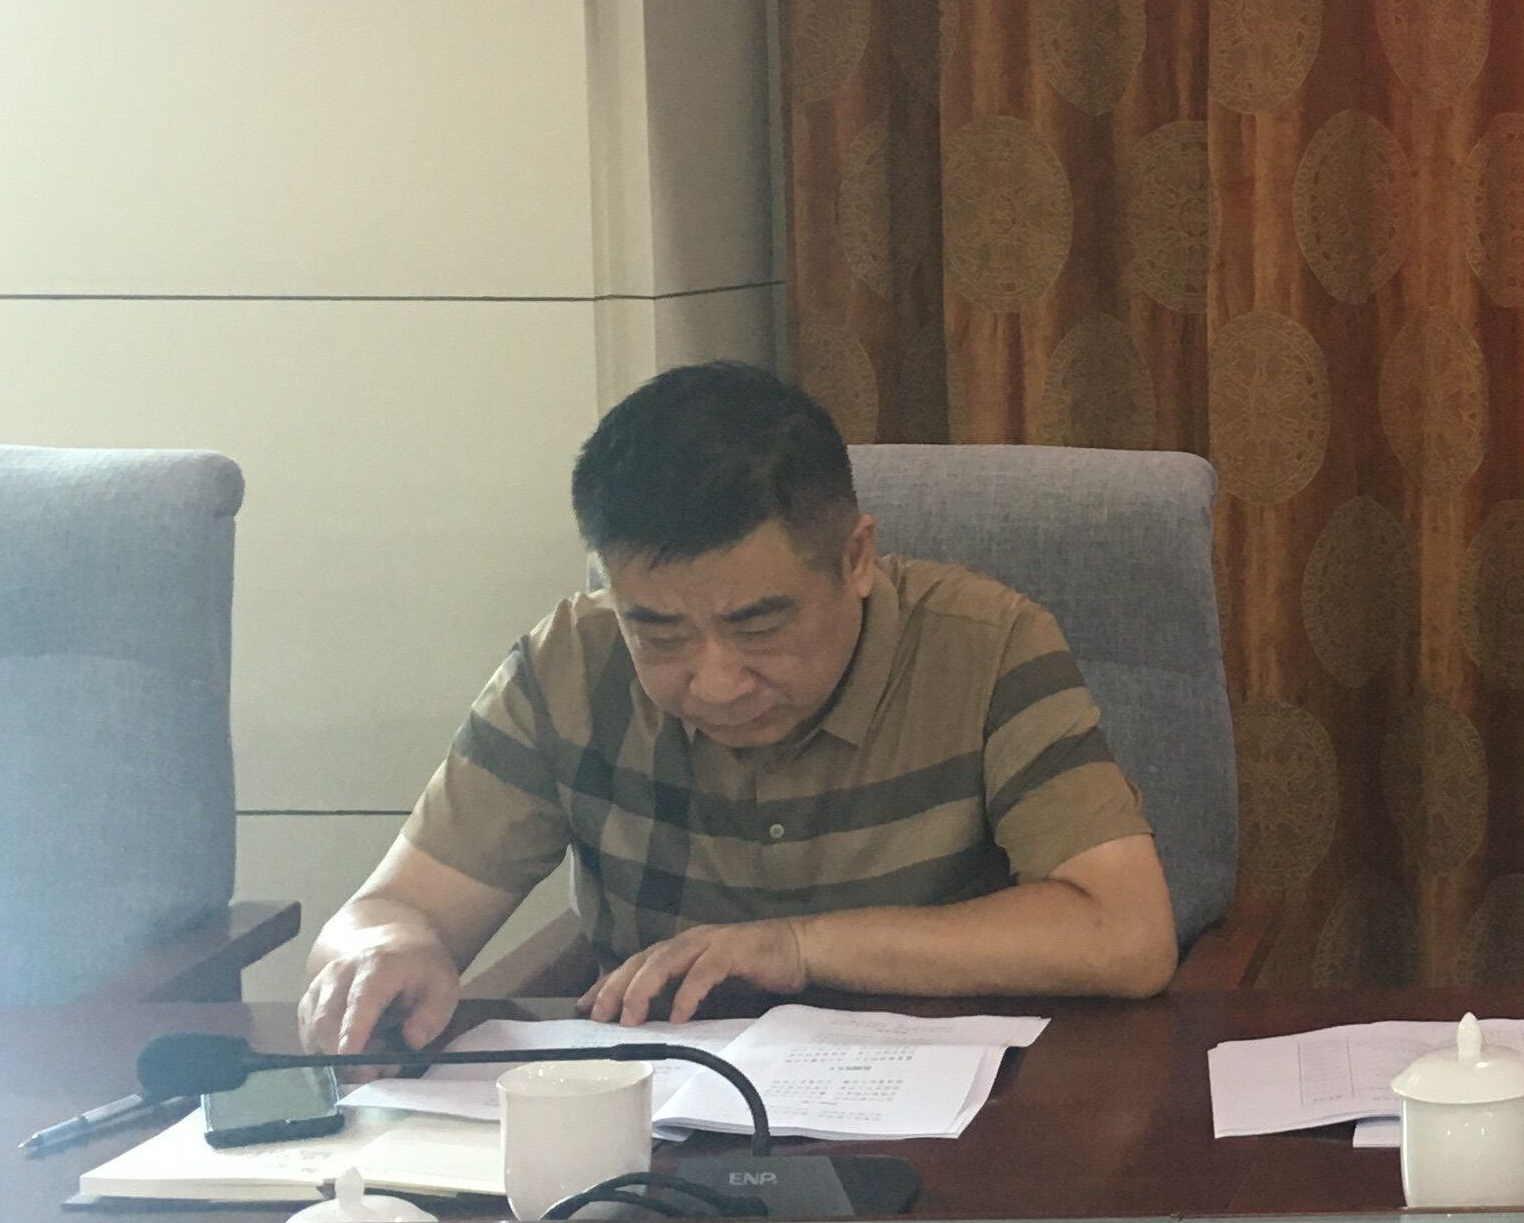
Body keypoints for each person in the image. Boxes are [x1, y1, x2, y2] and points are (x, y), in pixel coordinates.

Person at [298, 363, 1177, 1049]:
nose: (714, 682)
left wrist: (796, 947)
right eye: (659, 632)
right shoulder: (569, 664)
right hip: (660, 1127)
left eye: (759, 625)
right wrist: (381, 953)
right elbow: (387, 912)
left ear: (856, 559)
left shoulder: (985, 646)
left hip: (949, 1111)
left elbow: (1125, 933)